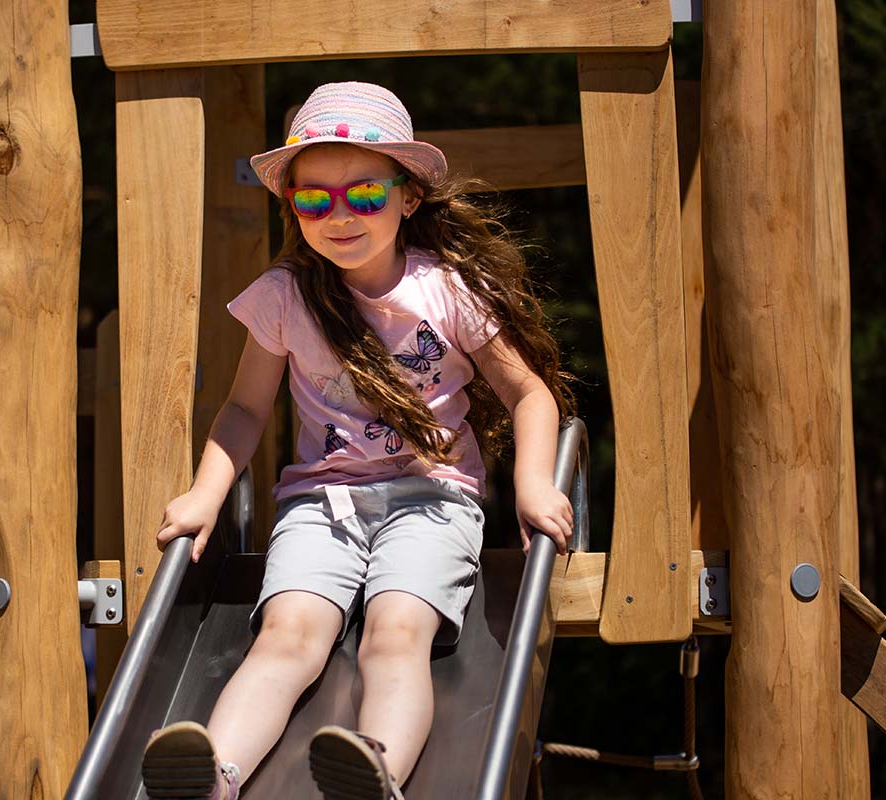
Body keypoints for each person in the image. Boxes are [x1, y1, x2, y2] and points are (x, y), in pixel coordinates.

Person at [140, 81, 574, 800]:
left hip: (431, 499)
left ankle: (377, 772)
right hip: (323, 501)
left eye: (364, 196)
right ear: (294, 208)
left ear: (408, 198)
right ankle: (215, 775)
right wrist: (205, 495)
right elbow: (245, 409)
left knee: (394, 632)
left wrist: (532, 483)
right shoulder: (285, 296)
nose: (339, 216)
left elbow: (530, 393)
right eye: (314, 200)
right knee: (286, 635)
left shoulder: (447, 292)